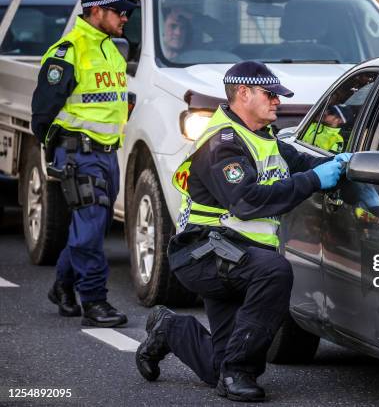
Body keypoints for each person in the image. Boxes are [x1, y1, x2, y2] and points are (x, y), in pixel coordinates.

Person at [135, 61, 350, 402]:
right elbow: (247, 201)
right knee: (274, 273)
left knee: (214, 365)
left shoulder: (262, 138)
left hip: (236, 254)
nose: (277, 101)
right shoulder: (222, 143)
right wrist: (313, 180)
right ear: (244, 94)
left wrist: (343, 167)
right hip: (203, 252)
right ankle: (239, 373)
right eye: (270, 95)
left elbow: (299, 162)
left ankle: (170, 329)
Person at [31, 0, 137, 327]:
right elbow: (42, 112)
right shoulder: (69, 51)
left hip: (107, 154)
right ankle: (95, 302)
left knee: (91, 228)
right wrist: (58, 150)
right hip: (80, 154)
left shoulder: (111, 47)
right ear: (95, 11)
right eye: (119, 12)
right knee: (89, 231)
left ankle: (63, 284)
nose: (125, 19)